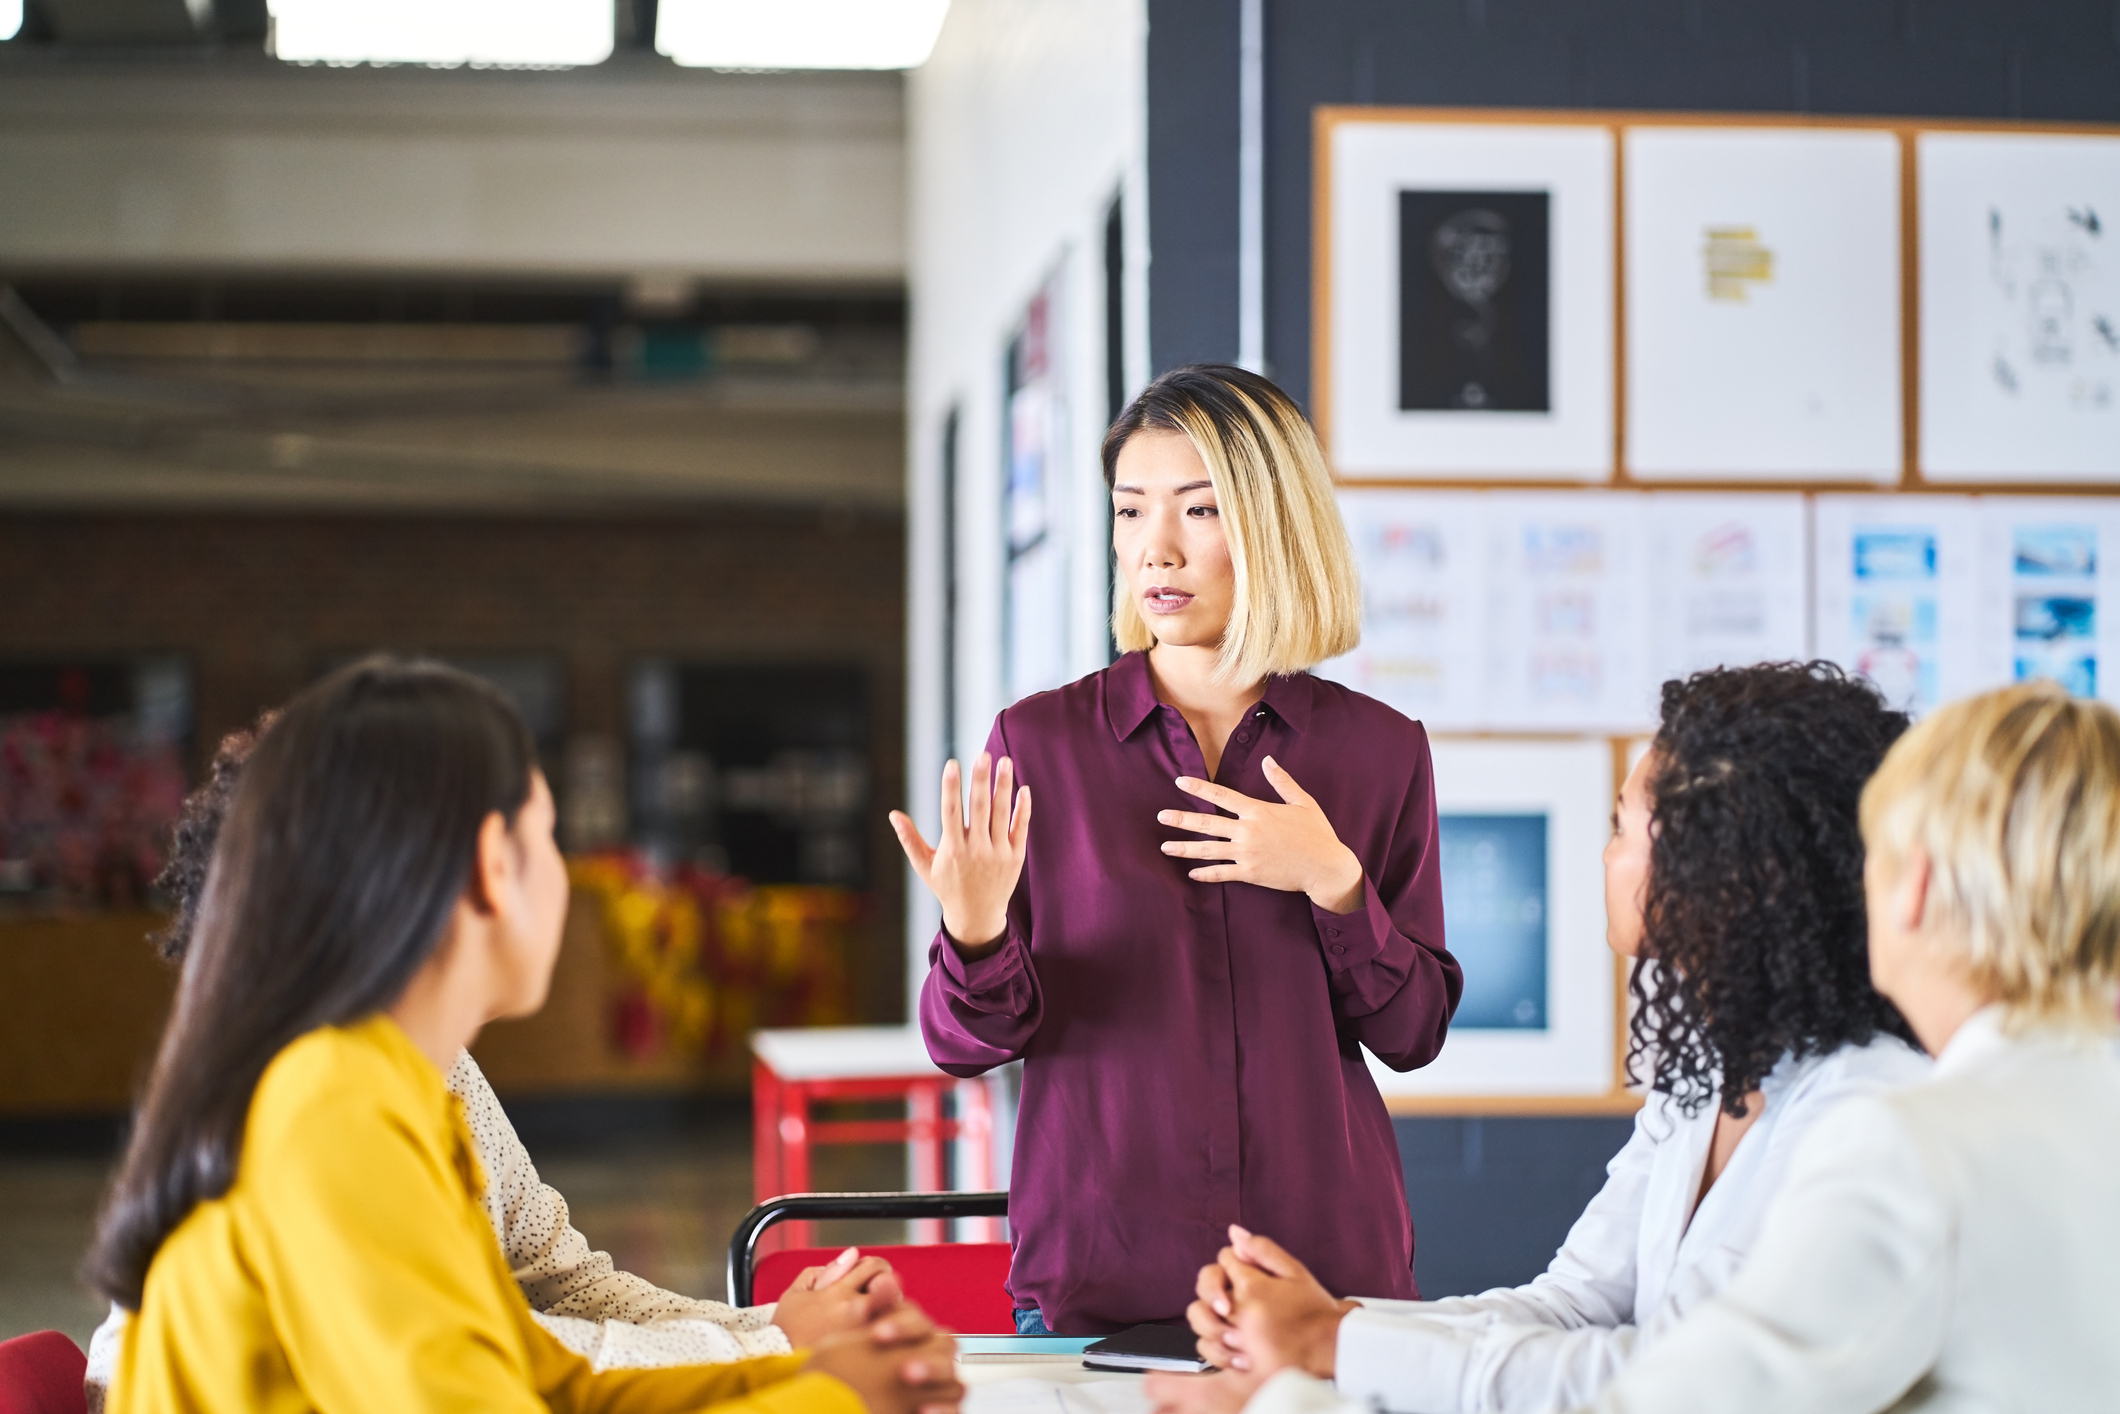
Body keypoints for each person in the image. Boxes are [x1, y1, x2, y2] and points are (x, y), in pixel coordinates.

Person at [84, 659, 962, 1414]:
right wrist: (818, 1391)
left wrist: (793, 1362)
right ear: (488, 867)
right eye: (548, 837)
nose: (568, 878)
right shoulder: (331, 1106)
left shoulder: (389, 1083)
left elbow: (545, 1372)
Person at [1156, 662, 1931, 1413]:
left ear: (1719, 865)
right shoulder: (1706, 1078)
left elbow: (1668, 1384)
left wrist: (1336, 1343)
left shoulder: (1870, 1116)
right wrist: (1332, 1324)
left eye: (1621, 826)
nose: (1606, 853)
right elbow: (1571, 1306)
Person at [890, 365, 1463, 1335]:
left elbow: (1413, 1034)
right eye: (1130, 511)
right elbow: (962, 1044)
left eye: (1198, 510)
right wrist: (975, 933)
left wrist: (1334, 882)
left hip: (1323, 1276)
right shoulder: (1040, 745)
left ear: (1275, 525)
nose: (1154, 548)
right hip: (1099, 1277)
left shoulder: (1378, 750)